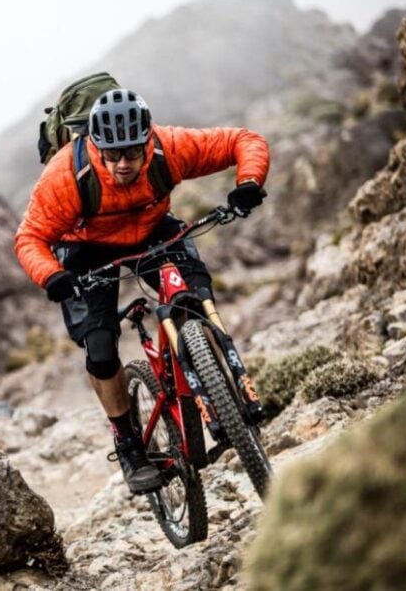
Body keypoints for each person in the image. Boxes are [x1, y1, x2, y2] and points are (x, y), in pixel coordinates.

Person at [14, 88, 269, 493]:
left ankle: (216, 381)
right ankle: (129, 443)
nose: (122, 164)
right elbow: (30, 238)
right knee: (99, 349)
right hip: (88, 250)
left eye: (132, 152)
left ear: (147, 140)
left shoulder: (170, 147)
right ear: (94, 144)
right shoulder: (66, 175)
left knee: (195, 297)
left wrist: (249, 182)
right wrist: (52, 275)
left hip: (154, 232)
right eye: (111, 154)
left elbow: (244, 141)